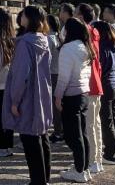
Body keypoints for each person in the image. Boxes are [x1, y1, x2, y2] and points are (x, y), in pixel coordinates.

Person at [4, 6, 55, 185]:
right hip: (43, 93)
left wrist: (14, 101)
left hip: (28, 96)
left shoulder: (25, 43)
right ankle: (44, 178)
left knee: (30, 140)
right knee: (42, 136)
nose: (21, 17)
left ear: (29, 18)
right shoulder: (44, 39)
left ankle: (37, 181)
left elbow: (21, 75)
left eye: (24, 15)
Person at [55, 17, 93, 183]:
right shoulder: (85, 46)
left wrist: (58, 96)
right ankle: (83, 167)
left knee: (73, 136)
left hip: (71, 95)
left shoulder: (68, 48)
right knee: (82, 134)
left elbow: (64, 77)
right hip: (84, 94)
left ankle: (79, 170)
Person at [78, 4, 104, 175]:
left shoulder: (84, 32)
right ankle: (97, 159)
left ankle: (93, 160)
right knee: (95, 124)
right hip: (96, 81)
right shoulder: (94, 31)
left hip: (89, 83)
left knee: (89, 126)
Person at [94, 21, 115, 163]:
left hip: (106, 86)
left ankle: (110, 154)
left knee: (107, 122)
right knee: (114, 121)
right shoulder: (113, 47)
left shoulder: (102, 47)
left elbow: (101, 69)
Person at [0, 8, 16, 158]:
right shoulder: (12, 37)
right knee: (7, 116)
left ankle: (0, 145)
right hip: (10, 81)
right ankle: (8, 145)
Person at [47, 14, 64, 143]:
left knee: (55, 104)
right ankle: (61, 130)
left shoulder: (49, 38)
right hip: (60, 72)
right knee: (59, 103)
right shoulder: (60, 37)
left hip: (52, 74)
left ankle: (58, 131)